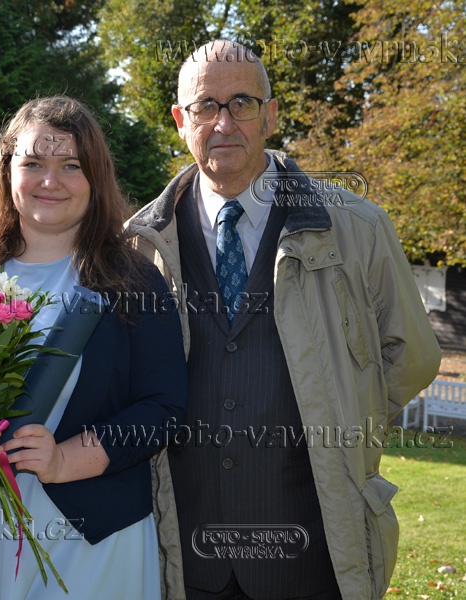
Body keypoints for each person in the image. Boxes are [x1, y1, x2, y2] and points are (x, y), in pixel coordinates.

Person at [125, 40, 442, 599]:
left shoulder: (358, 227)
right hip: (183, 558)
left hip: (312, 554)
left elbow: (411, 357)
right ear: (180, 120)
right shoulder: (140, 245)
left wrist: (343, 413)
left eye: (242, 103)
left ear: (270, 115)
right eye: (205, 106)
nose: (224, 123)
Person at [0, 95, 188, 599]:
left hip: (94, 533)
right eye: (33, 164)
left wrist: (65, 460)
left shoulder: (134, 281)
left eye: (71, 166)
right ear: (7, 171)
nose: (51, 181)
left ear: (95, 178)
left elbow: (163, 407)